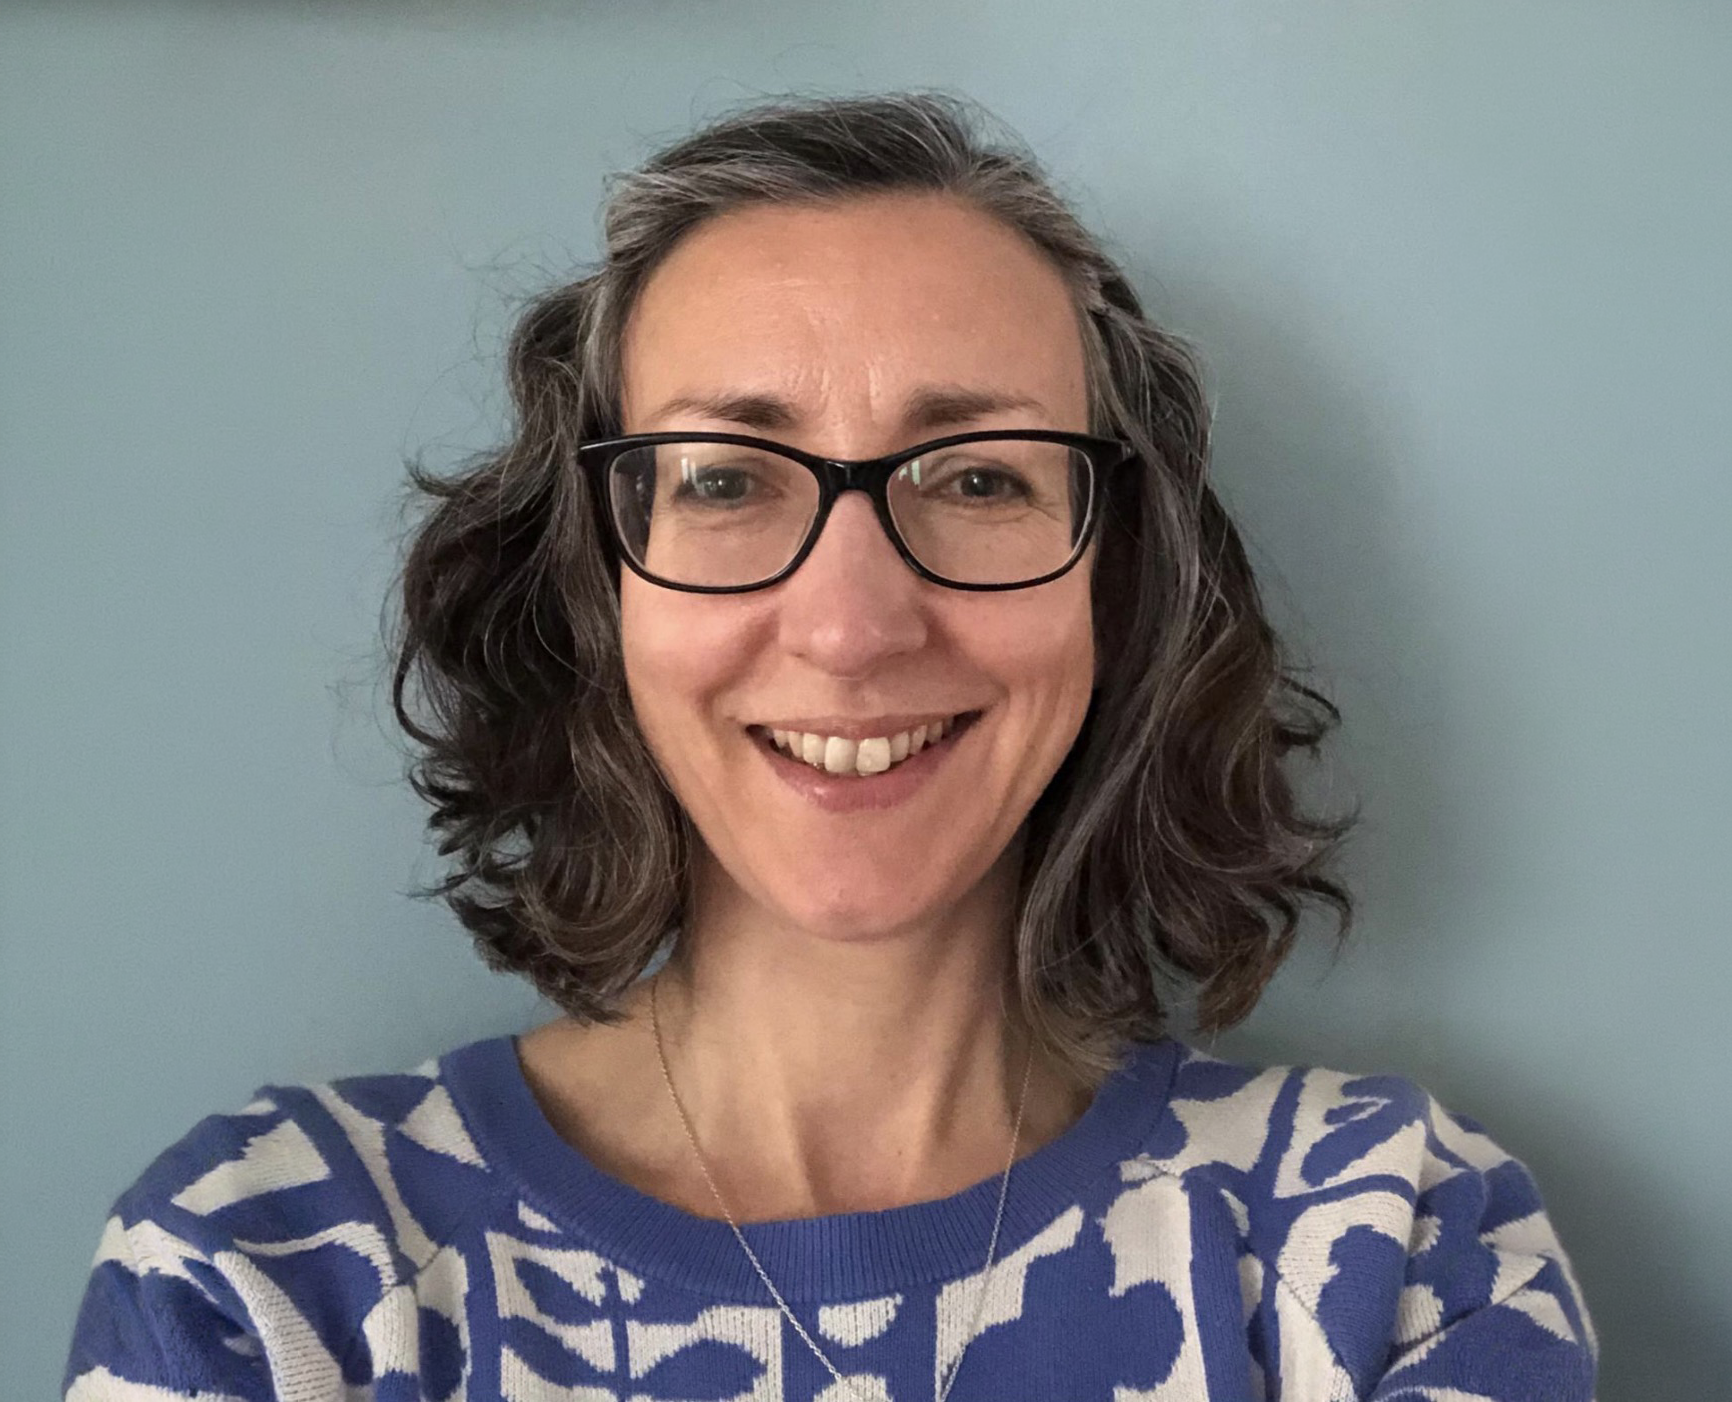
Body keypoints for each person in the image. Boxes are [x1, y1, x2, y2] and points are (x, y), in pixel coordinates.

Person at [62, 91, 1596, 1401]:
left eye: (980, 478)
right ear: (598, 589)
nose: (853, 624)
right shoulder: (272, 1274)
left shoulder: (1383, 1252)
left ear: (1115, 583)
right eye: (728, 481)